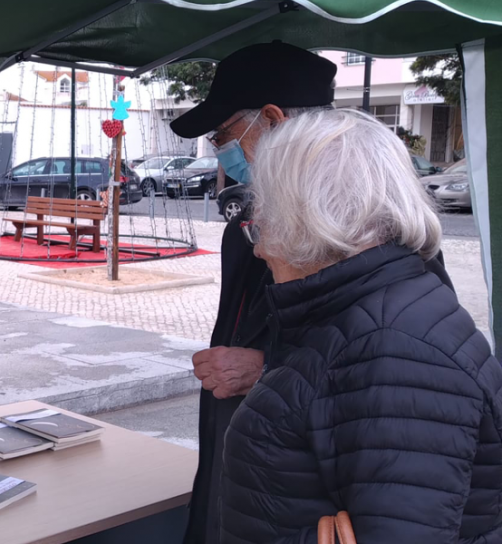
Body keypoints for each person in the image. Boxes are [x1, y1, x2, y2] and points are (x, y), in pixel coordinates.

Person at [167, 42, 455, 544]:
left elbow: (401, 378)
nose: (222, 152)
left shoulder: (380, 231)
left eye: (225, 136)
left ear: (273, 121)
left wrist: (267, 368)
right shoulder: (251, 224)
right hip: (246, 466)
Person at [220, 108, 501, 542]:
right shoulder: (364, 315)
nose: (258, 246)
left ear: (308, 217)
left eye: (264, 213)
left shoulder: (395, 348)